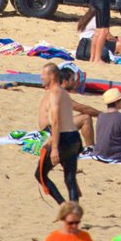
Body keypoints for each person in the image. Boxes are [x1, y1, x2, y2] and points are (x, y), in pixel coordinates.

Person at [37, 63, 83, 204]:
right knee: (70, 178)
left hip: (64, 139)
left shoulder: (55, 94)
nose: (41, 77)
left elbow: (56, 122)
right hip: (74, 137)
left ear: (51, 76)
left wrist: (54, 148)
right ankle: (74, 214)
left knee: (40, 175)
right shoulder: (64, 93)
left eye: (43, 75)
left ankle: (64, 207)